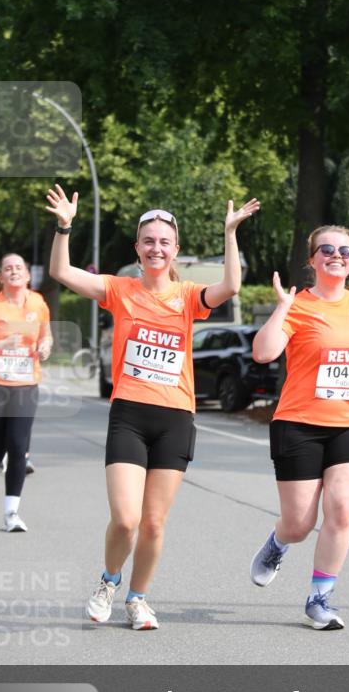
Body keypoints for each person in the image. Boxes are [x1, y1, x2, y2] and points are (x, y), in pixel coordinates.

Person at [46, 183, 259, 631]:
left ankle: (138, 599)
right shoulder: (119, 289)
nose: (156, 248)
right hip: (129, 415)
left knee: (154, 524)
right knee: (126, 520)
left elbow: (231, 285)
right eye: (148, 241)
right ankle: (108, 581)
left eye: (164, 241)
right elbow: (61, 272)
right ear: (137, 248)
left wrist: (230, 234)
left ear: (175, 249)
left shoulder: (188, 296)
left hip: (175, 418)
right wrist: (64, 227)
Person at [250, 227, 349, 630]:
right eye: (328, 249)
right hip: (298, 425)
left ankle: (319, 599)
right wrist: (282, 308)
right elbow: (264, 352)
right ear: (312, 259)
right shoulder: (298, 305)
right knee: (299, 524)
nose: (337, 255)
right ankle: (279, 542)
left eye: (345, 251)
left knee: (341, 510)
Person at [0, 255, 53, 532]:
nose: (14, 271)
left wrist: (45, 347)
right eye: (8, 268)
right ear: (1, 276)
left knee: (18, 447)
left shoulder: (37, 303)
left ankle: (11, 513)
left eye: (18, 268)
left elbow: (46, 335)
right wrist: (0, 344)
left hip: (25, 385)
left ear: (27, 275)